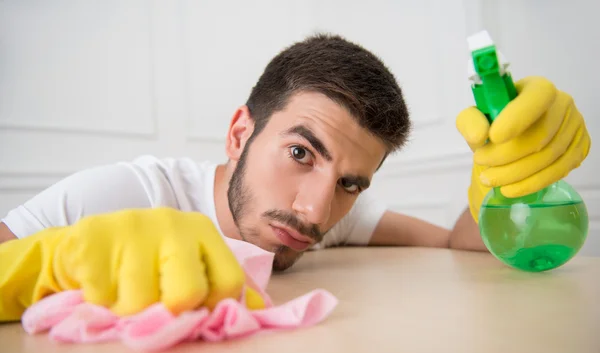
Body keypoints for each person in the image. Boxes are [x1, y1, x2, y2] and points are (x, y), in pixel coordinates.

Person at [0, 34, 590, 321]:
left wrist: (504, 174)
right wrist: (55, 259)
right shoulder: (125, 194)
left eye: (350, 182)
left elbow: (459, 243)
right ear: (239, 135)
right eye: (302, 153)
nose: (314, 212)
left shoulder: (333, 215)